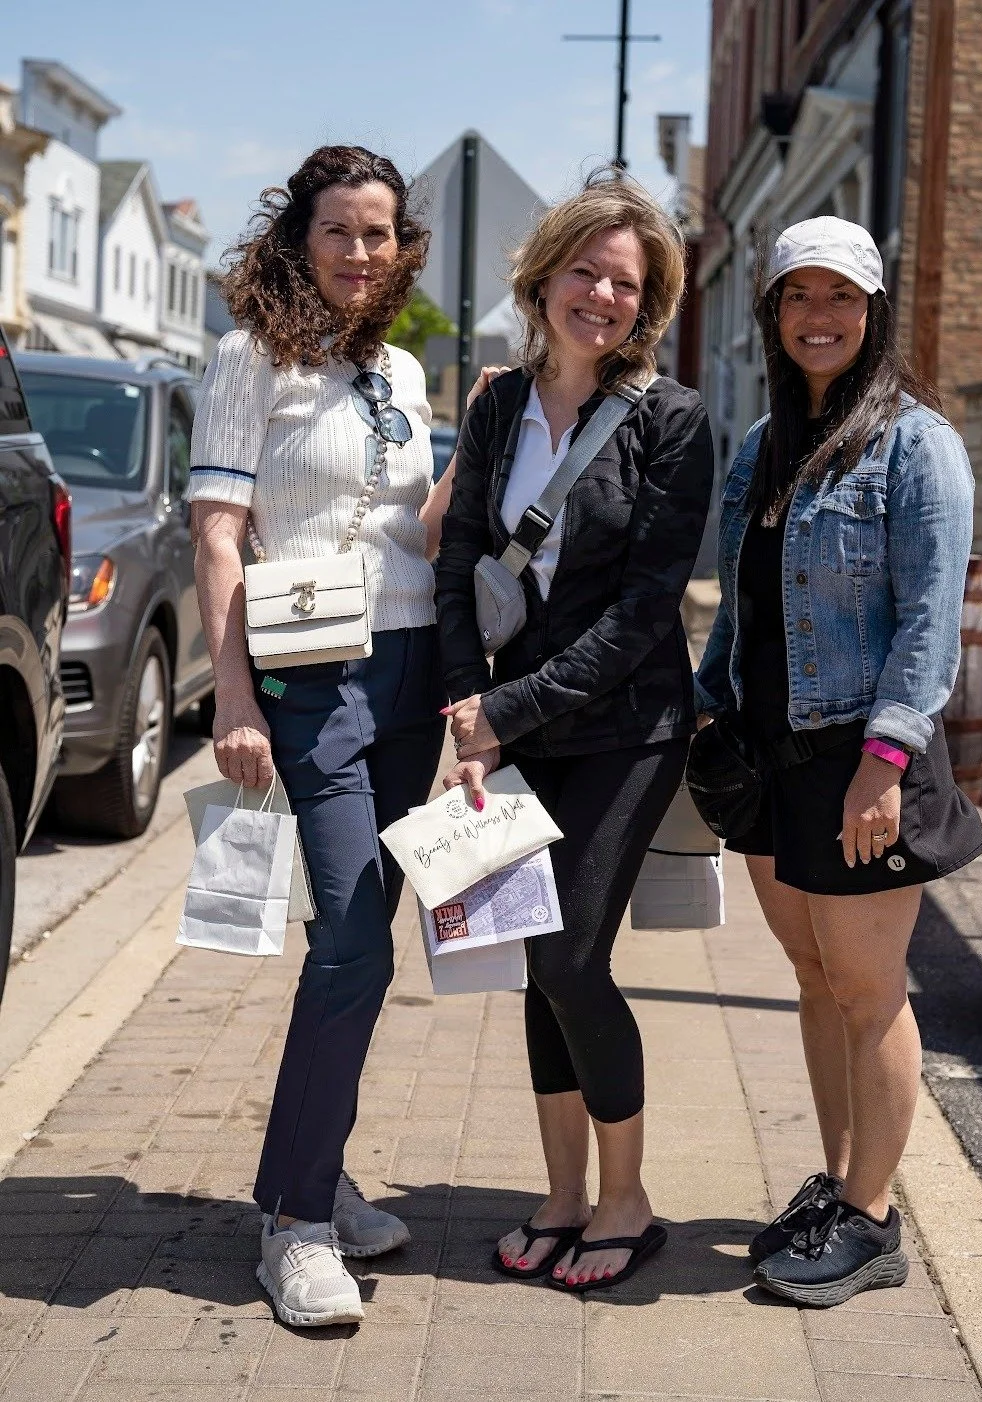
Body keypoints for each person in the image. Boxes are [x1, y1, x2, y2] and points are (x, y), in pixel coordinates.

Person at [189, 145, 498, 1328]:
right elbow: (219, 534)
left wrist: (475, 441)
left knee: (360, 942)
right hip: (311, 677)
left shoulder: (401, 371)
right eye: (338, 230)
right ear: (298, 238)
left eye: (379, 233)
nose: (361, 252)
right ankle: (296, 1221)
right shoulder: (249, 358)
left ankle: (314, 1172)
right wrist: (232, 697)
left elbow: (414, 532)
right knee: (355, 942)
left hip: (410, 672)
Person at [696, 216, 982, 1307]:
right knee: (814, 978)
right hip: (770, 756)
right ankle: (838, 1182)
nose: (819, 315)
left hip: (861, 759)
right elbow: (740, 609)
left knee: (867, 989)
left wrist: (885, 760)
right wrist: (703, 712)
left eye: (842, 296)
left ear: (873, 311)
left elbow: (930, 623)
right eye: (798, 295)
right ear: (773, 311)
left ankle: (872, 1218)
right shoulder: (762, 446)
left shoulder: (917, 445)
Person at [435, 172, 714, 1294]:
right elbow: (459, 564)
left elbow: (646, 614)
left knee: (569, 956)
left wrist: (501, 711)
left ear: (649, 303)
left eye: (626, 283)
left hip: (627, 730)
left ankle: (627, 1199)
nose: (601, 295)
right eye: (585, 271)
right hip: (512, 733)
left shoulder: (672, 420)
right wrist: (469, 707)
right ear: (544, 278)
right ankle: (561, 1195)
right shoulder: (497, 407)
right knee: (528, 963)